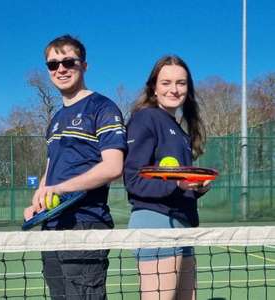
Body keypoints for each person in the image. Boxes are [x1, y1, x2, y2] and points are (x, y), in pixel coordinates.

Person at [23, 34, 127, 300]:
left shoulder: (102, 107)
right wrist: (40, 200)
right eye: (53, 64)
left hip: (85, 226)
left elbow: (113, 167)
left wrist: (59, 188)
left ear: (84, 65)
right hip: (52, 225)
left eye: (69, 61)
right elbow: (51, 167)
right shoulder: (56, 119)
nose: (61, 69)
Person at [124, 55, 211, 300]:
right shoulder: (145, 118)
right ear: (153, 87)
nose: (174, 89)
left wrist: (194, 188)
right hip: (155, 223)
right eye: (166, 82)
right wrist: (177, 184)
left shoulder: (180, 131)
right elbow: (133, 179)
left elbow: (175, 184)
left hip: (182, 225)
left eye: (181, 83)